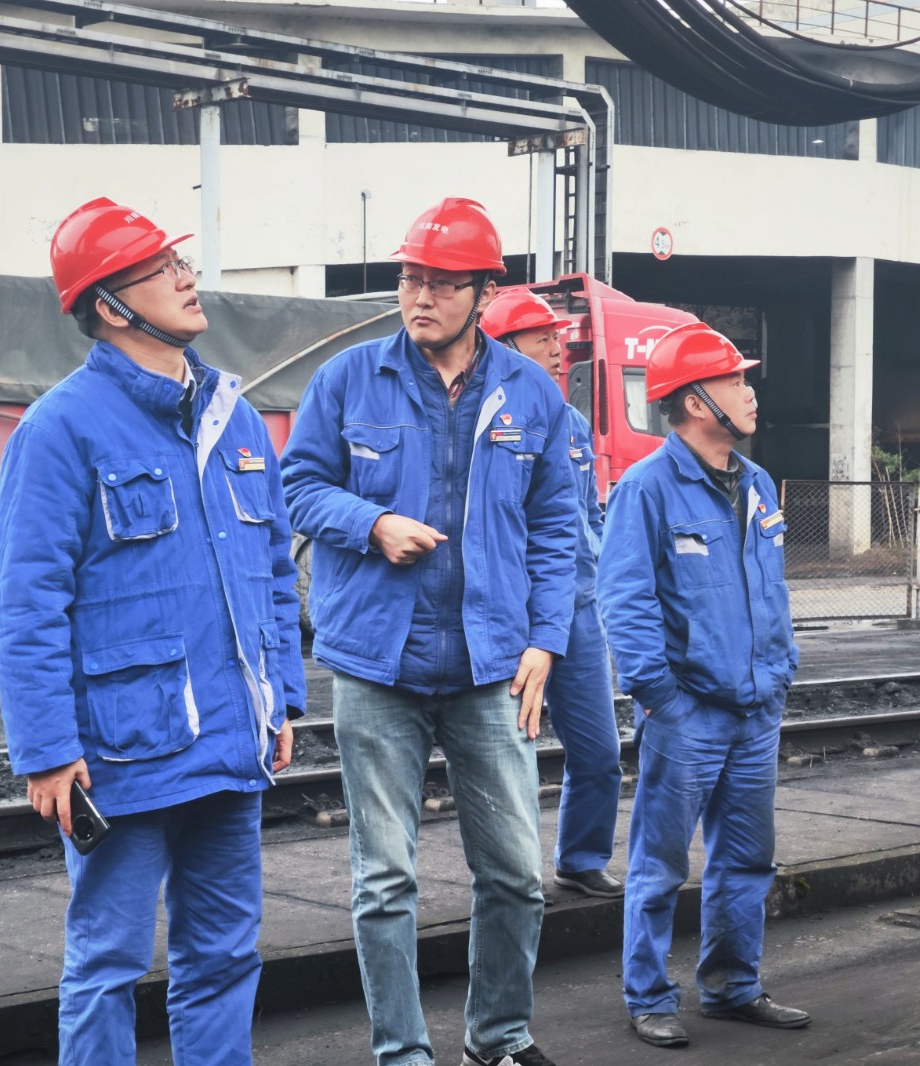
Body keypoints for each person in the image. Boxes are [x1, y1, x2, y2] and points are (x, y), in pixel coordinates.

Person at [0, 196, 305, 1066]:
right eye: (162, 269)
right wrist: (47, 751)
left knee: (224, 957)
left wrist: (281, 699)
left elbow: (274, 570)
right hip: (122, 756)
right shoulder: (60, 429)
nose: (187, 278)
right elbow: (25, 603)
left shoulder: (233, 417)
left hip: (230, 745)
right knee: (109, 964)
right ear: (109, 305)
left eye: (180, 262)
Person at [281, 197, 578, 1066]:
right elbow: (298, 488)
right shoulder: (347, 380)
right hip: (378, 666)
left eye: (443, 284)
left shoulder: (531, 393)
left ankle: (499, 1038)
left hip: (492, 666)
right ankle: (402, 1054)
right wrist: (372, 523)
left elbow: (556, 526)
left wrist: (545, 639)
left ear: (484, 293)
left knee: (515, 874)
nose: (421, 297)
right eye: (412, 279)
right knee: (385, 880)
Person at [596, 321, 810, 1050]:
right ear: (694, 402)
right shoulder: (646, 489)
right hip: (686, 713)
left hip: (755, 709)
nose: (750, 393)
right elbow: (624, 601)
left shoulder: (756, 483)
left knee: (746, 859)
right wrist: (660, 696)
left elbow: (769, 590)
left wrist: (779, 672)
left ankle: (731, 987)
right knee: (659, 866)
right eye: (734, 381)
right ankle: (648, 996)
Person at [478, 288, 623, 899]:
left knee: (600, 750)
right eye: (543, 338)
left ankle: (581, 859)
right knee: (506, 755)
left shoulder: (571, 422)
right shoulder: (485, 421)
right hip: (513, 615)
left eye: (557, 337)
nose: (559, 348)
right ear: (506, 347)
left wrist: (597, 567)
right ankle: (509, 879)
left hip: (578, 608)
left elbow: (589, 512)